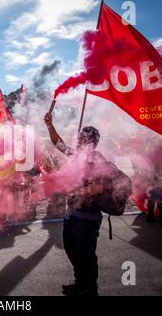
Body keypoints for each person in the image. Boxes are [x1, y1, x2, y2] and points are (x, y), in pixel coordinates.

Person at [45, 111, 108, 297]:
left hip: (87, 219)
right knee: (72, 250)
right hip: (72, 215)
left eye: (82, 139)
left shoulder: (97, 159)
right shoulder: (77, 155)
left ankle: (90, 288)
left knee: (86, 256)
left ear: (91, 142)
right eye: (79, 138)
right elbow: (59, 144)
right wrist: (49, 125)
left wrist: (76, 191)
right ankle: (80, 283)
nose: (79, 141)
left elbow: (98, 187)